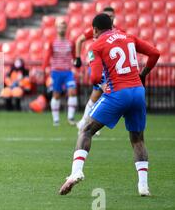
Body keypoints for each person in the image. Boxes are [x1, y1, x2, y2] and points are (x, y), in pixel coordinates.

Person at [59, 13, 160, 196]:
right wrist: (143, 74)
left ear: (95, 30)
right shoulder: (128, 36)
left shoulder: (96, 45)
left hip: (117, 93)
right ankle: (143, 186)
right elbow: (155, 53)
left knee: (86, 129)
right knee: (138, 139)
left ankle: (76, 172)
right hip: (138, 92)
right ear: (112, 26)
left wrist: (103, 85)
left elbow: (95, 77)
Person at [73, 7, 122, 133]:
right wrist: (77, 58)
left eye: (111, 16)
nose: (109, 18)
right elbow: (79, 40)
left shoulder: (118, 32)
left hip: (109, 68)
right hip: (98, 66)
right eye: (107, 15)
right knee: (106, 91)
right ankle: (90, 124)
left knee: (96, 96)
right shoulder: (97, 29)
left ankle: (85, 123)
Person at [42, 20, 78, 126]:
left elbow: (75, 57)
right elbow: (47, 56)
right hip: (56, 72)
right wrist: (44, 68)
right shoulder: (52, 42)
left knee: (72, 91)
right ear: (56, 28)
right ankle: (56, 120)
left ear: (66, 28)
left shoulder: (71, 43)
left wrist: (77, 68)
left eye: (63, 27)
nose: (61, 29)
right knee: (56, 95)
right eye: (59, 27)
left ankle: (70, 117)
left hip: (68, 72)